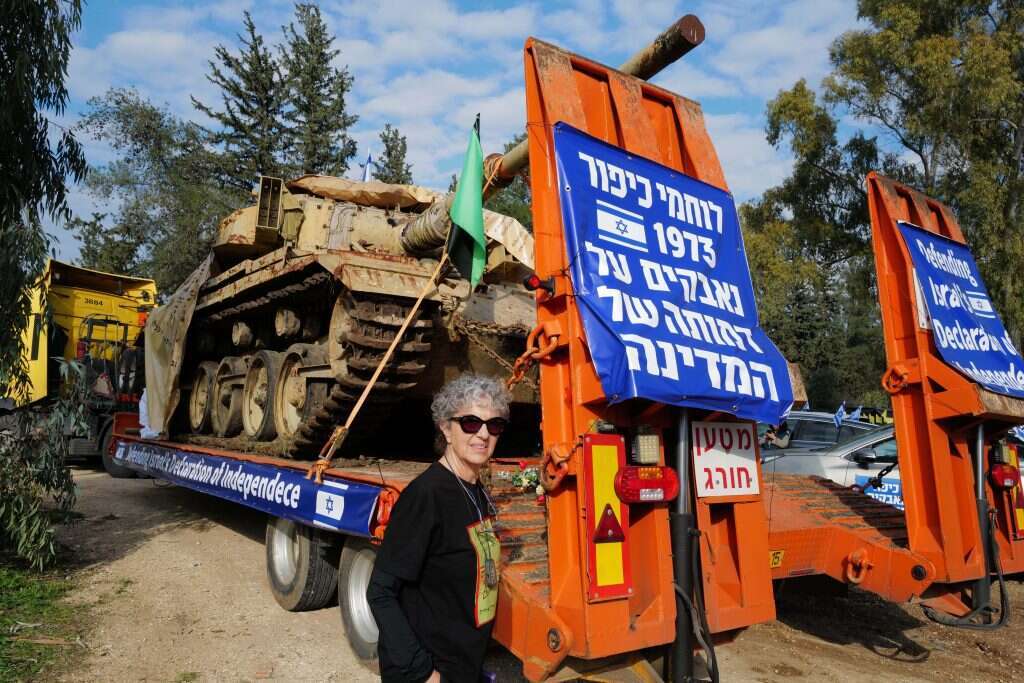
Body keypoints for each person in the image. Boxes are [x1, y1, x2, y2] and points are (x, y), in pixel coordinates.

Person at [367, 374, 509, 682]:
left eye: (494, 425)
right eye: (470, 423)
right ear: (446, 428)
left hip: (462, 664)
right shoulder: (427, 495)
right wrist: (424, 673)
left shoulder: (476, 490)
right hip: (430, 670)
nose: (483, 434)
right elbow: (380, 592)